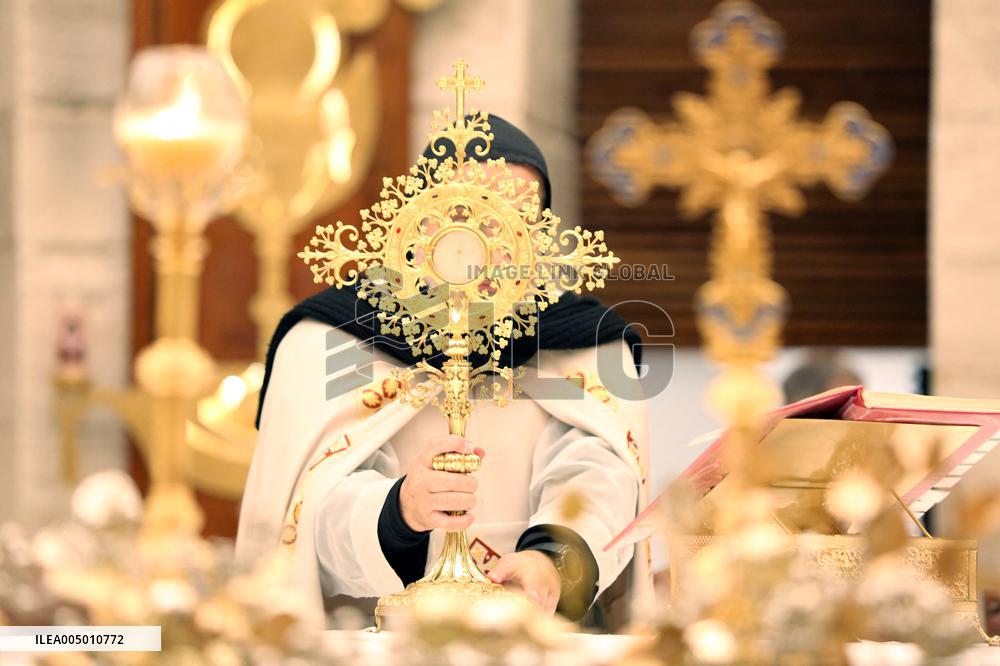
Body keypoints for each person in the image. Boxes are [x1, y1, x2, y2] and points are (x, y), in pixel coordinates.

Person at [236, 115, 651, 630]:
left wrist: (552, 563)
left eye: (518, 221)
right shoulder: (329, 339)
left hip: (539, 635)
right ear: (422, 223)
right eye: (476, 214)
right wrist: (400, 512)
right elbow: (303, 517)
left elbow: (600, 477)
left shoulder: (582, 337)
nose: (493, 245)